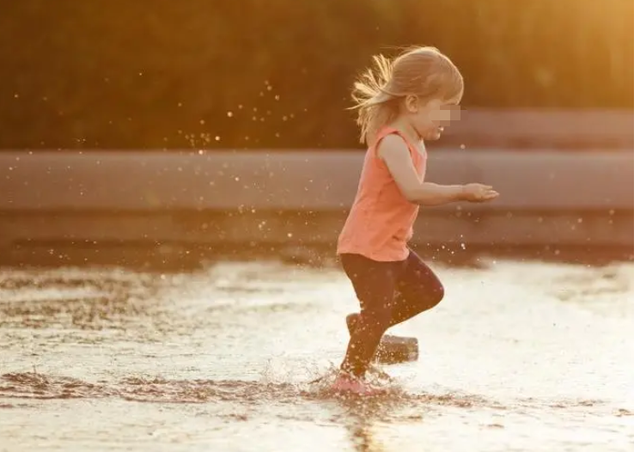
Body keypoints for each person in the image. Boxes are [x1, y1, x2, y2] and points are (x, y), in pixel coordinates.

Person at [332, 46, 499, 395]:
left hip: (391, 247)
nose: (450, 119)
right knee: (379, 312)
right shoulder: (392, 142)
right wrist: (461, 191)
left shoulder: (416, 140)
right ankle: (348, 379)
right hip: (366, 248)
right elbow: (413, 191)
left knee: (429, 292)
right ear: (412, 103)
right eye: (446, 108)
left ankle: (363, 328)